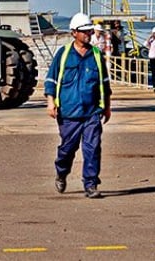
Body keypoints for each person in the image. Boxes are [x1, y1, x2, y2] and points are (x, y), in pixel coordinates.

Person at [45, 12, 112, 198]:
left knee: (93, 147)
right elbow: (50, 79)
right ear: (74, 33)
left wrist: (107, 106)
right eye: (84, 32)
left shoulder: (96, 55)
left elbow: (104, 83)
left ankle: (91, 185)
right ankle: (61, 171)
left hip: (91, 112)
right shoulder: (63, 54)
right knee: (68, 148)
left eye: (89, 31)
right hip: (68, 113)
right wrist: (50, 102)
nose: (88, 35)